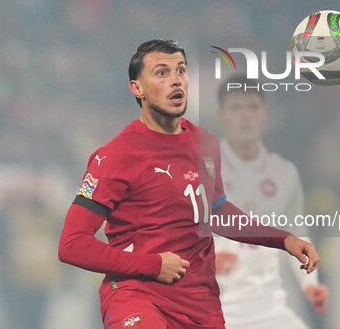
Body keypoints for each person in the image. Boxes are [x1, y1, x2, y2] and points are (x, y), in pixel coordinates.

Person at [58, 39, 320, 329]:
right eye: (162, 73)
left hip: (200, 306)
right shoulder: (115, 156)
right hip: (137, 298)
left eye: (180, 71)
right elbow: (72, 244)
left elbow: (216, 213)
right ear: (137, 88)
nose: (175, 81)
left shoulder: (205, 144)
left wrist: (283, 239)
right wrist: (154, 266)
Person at [214, 75, 329, 329]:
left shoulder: (284, 173)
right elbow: (176, 233)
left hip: (271, 307)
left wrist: (311, 285)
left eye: (252, 107)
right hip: (220, 307)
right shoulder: (202, 171)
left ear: (264, 113)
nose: (245, 116)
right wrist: (207, 258)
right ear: (222, 116)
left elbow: (298, 234)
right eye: (236, 108)